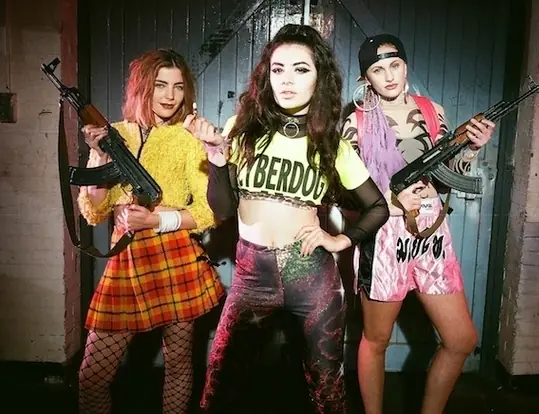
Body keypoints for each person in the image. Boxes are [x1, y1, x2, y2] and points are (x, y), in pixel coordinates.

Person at [184, 24, 390, 413]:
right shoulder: (241, 130)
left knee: (327, 391)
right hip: (251, 274)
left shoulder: (331, 143)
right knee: (219, 386)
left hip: (311, 274)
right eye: (278, 69)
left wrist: (340, 239)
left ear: (319, 77)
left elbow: (378, 207)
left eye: (301, 69)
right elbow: (224, 210)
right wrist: (217, 161)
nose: (287, 80)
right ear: (267, 75)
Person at [342, 34, 496, 414]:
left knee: (461, 339)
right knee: (376, 340)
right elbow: (343, 193)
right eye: (378, 69)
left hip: (431, 232)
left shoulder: (431, 111)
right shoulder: (356, 123)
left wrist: (471, 149)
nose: (389, 76)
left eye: (394, 65)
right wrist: (390, 203)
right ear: (366, 78)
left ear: (406, 65)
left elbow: (446, 175)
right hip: (383, 235)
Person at [76, 49, 225, 414]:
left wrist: (156, 220)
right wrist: (99, 156)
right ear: (143, 87)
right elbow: (95, 211)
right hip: (126, 260)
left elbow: (209, 212)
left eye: (178, 86)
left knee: (178, 365)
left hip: (176, 258)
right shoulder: (115, 134)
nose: (170, 96)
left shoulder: (189, 139)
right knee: (92, 376)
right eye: (160, 85)